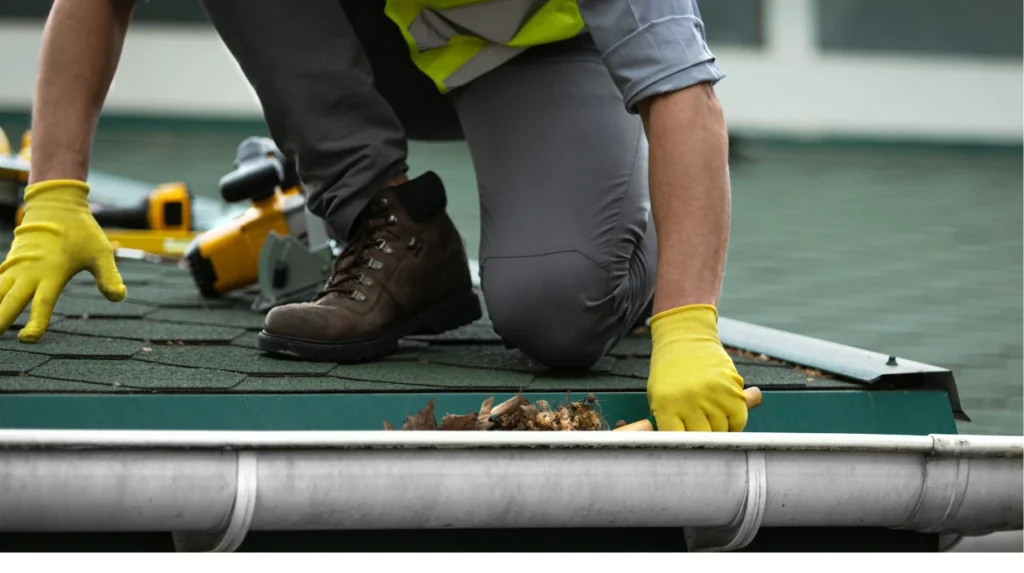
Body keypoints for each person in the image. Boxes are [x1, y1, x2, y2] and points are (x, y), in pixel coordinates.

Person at [0, 0, 748, 432]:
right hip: (379, 36)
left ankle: (634, 244)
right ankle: (385, 223)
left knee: (559, 314)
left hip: (538, 57)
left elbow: (685, 96)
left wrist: (685, 321)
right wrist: (55, 193)